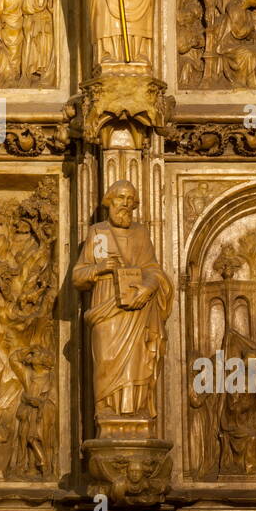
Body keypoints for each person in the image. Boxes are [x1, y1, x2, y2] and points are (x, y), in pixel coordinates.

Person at [73, 181, 172, 422]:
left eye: (131, 199)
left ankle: (134, 412)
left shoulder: (140, 233)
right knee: (106, 361)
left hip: (138, 308)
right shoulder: (99, 233)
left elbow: (154, 270)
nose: (126, 204)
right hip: (107, 307)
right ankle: (107, 411)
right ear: (109, 201)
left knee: (138, 363)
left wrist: (148, 288)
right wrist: (98, 268)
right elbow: (77, 277)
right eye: (120, 198)